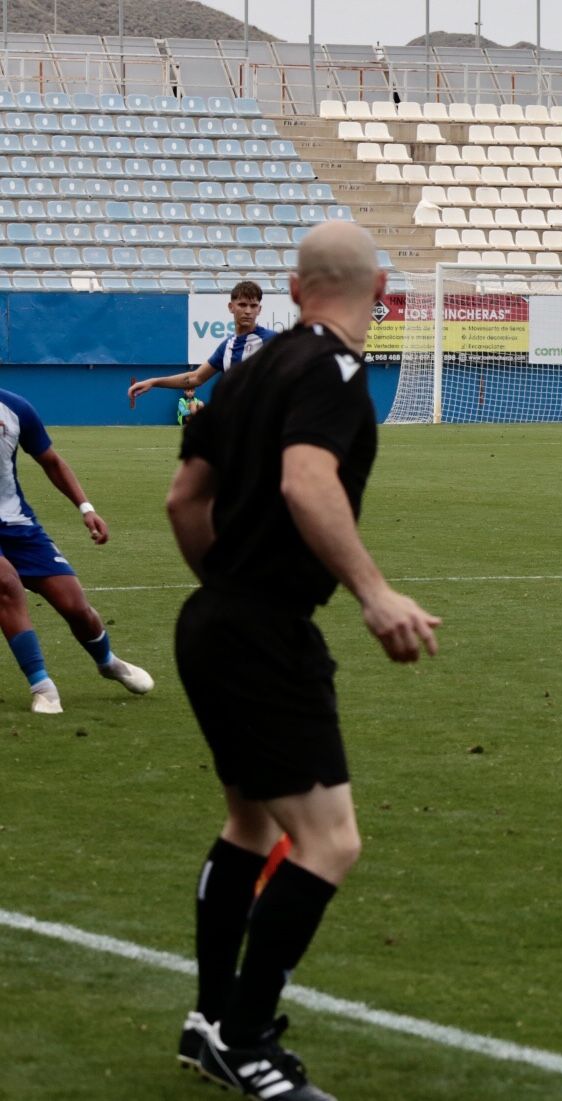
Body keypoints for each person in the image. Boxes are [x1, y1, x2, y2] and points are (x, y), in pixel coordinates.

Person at [165, 221, 442, 1099]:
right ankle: (248, 1040)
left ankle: (209, 1024)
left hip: (209, 620)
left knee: (249, 824)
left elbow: (183, 499)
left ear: (292, 288)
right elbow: (305, 480)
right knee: (330, 840)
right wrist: (374, 591)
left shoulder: (250, 371)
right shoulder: (335, 371)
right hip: (263, 632)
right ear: (382, 289)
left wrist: (226, 587)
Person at [0, 388, 154, 714]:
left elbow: (51, 462)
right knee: (6, 583)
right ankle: (42, 686)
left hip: (16, 523)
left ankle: (107, 662)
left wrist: (86, 508)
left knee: (75, 606)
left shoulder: (15, 408)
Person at [129, 281, 275, 407]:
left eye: (253, 306)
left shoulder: (272, 341)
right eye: (242, 305)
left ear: (259, 309)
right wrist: (154, 382)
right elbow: (196, 377)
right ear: (231, 307)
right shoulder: (227, 346)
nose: (248, 311)